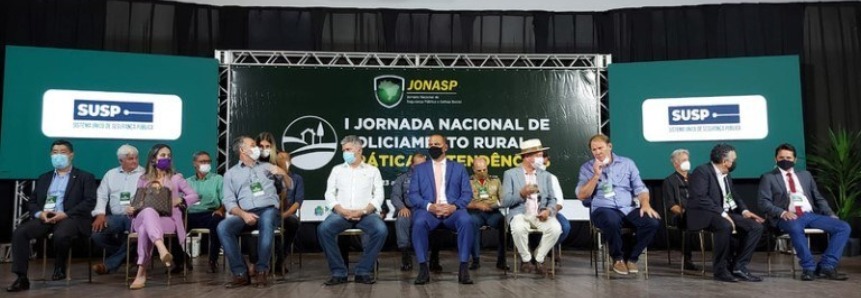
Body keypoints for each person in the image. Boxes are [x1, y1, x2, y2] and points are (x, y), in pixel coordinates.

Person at [7, 140, 97, 292]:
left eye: (62, 152)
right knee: (20, 232)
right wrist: (39, 213)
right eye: (55, 152)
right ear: (50, 155)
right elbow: (33, 201)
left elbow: (89, 201)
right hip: (46, 217)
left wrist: (65, 214)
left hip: (71, 217)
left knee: (61, 234)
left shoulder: (84, 177)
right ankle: (21, 278)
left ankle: (60, 264)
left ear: (71, 155)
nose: (58, 155)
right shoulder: (44, 178)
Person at [757, 143, 850, 281]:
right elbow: (763, 202)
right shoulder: (768, 177)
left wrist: (830, 213)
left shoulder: (805, 175)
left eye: (788, 157)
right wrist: (782, 212)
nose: (785, 160)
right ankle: (808, 268)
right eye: (781, 157)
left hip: (809, 215)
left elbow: (818, 198)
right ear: (775, 159)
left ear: (795, 160)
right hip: (786, 216)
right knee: (795, 227)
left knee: (843, 227)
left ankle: (827, 267)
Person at [576, 134, 660, 275]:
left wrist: (645, 204)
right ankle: (618, 259)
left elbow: (640, 188)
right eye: (594, 149)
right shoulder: (587, 168)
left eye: (600, 148)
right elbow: (581, 195)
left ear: (609, 146)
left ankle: (632, 258)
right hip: (603, 208)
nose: (598, 152)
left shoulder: (627, 163)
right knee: (611, 220)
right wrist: (596, 175)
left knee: (652, 222)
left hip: (627, 208)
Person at [687, 143, 765, 282]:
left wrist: (745, 211)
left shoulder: (726, 174)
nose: (735, 162)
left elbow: (732, 195)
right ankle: (720, 270)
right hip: (704, 213)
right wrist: (723, 214)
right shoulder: (702, 171)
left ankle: (738, 266)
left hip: (724, 212)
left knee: (756, 227)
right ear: (725, 162)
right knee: (725, 225)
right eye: (734, 159)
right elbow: (701, 198)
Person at [218, 136, 287, 288]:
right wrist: (243, 214)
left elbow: (291, 186)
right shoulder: (230, 174)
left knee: (267, 219)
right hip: (246, 213)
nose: (258, 148)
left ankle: (262, 270)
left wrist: (284, 173)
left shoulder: (267, 166)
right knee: (223, 227)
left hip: (268, 209)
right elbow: (229, 202)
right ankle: (240, 273)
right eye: (253, 145)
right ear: (242, 150)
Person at [318, 136, 387, 285]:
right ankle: (338, 272)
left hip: (366, 214)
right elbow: (329, 194)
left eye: (348, 150)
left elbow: (379, 195)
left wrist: (363, 211)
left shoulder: (372, 170)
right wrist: (341, 210)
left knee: (381, 230)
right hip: (341, 214)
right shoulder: (337, 170)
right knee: (323, 230)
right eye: (343, 150)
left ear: (359, 149)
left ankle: (363, 271)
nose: (345, 153)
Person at [128, 144, 199, 289]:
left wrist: (181, 200)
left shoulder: (176, 178)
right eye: (162, 155)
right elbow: (138, 201)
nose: (166, 158)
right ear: (153, 158)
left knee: (143, 230)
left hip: (167, 219)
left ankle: (141, 272)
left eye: (168, 156)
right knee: (148, 211)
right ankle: (161, 248)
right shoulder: (143, 178)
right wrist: (130, 208)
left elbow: (194, 195)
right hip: (143, 215)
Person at [410, 134, 474, 285]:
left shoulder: (458, 168)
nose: (433, 147)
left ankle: (464, 268)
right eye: (430, 144)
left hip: (453, 210)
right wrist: (430, 206)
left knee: (466, 220)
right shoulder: (419, 169)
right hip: (429, 211)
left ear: (445, 147)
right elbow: (413, 195)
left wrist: (454, 206)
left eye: (437, 144)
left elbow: (467, 194)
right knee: (418, 223)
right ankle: (423, 268)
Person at [501, 139, 562, 274]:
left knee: (556, 228)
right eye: (538, 155)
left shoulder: (545, 175)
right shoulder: (510, 174)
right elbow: (504, 201)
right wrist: (521, 194)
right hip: (520, 214)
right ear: (528, 157)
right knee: (517, 228)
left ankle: (539, 257)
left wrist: (548, 210)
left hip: (539, 215)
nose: (542, 158)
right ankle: (526, 258)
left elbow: (552, 199)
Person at [90, 144, 144, 276]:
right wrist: (100, 214)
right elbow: (102, 195)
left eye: (136, 158)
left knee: (135, 236)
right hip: (116, 217)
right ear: (121, 161)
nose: (135, 161)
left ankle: (108, 265)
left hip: (136, 216)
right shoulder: (111, 174)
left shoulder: (145, 174)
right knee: (97, 234)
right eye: (130, 159)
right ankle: (129, 254)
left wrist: (138, 207)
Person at [185, 151, 225, 273]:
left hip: (210, 213)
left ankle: (213, 260)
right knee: (172, 224)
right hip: (190, 214)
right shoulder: (187, 182)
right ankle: (181, 259)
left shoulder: (218, 179)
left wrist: (220, 210)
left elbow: (226, 200)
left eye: (208, 162)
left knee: (217, 222)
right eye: (202, 162)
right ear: (195, 164)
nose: (206, 164)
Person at [660, 149, 700, 271]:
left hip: (697, 212)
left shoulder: (696, 178)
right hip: (679, 214)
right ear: (675, 163)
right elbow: (671, 204)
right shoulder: (669, 181)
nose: (687, 162)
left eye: (688, 160)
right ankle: (687, 259)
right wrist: (684, 212)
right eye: (684, 160)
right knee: (686, 220)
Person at [467, 156, 508, 271]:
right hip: (476, 212)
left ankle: (501, 260)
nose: (482, 173)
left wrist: (499, 204)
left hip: (493, 212)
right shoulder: (467, 182)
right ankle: (475, 260)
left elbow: (503, 198)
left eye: (485, 169)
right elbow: (464, 202)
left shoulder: (496, 180)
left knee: (503, 222)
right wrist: (477, 205)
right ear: (473, 169)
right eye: (479, 170)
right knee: (472, 222)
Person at [391, 153, 427, 271]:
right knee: (402, 219)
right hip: (408, 209)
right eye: (419, 165)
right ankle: (405, 256)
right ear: (412, 165)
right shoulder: (403, 178)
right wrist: (401, 207)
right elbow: (395, 196)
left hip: (425, 210)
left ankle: (434, 257)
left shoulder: (432, 178)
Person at [536, 153, 571, 262]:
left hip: (549, 211)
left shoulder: (552, 178)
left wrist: (551, 212)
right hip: (530, 211)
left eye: (543, 158)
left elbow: (559, 202)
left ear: (546, 161)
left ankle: (546, 247)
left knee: (565, 227)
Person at [273, 150, 303, 275]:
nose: (283, 161)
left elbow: (298, 202)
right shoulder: (271, 177)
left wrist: (284, 215)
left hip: (288, 214)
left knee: (293, 222)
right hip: (272, 212)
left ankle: (280, 260)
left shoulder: (297, 179)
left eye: (286, 158)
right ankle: (269, 261)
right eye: (280, 158)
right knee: (268, 223)